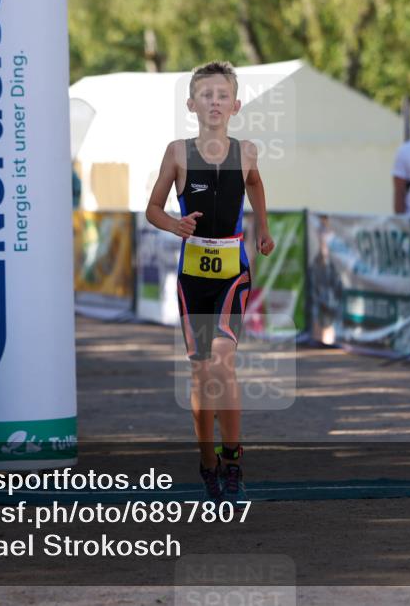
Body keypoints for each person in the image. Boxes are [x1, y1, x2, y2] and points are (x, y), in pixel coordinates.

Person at [145, 61, 274, 507]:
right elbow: (153, 209)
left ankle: (233, 460)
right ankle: (207, 463)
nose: (215, 102)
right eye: (206, 95)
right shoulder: (177, 153)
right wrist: (175, 225)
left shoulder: (247, 152)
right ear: (191, 104)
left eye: (223, 96)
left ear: (235, 106)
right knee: (201, 373)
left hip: (233, 273)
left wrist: (263, 228)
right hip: (192, 279)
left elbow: (255, 184)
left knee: (223, 361)